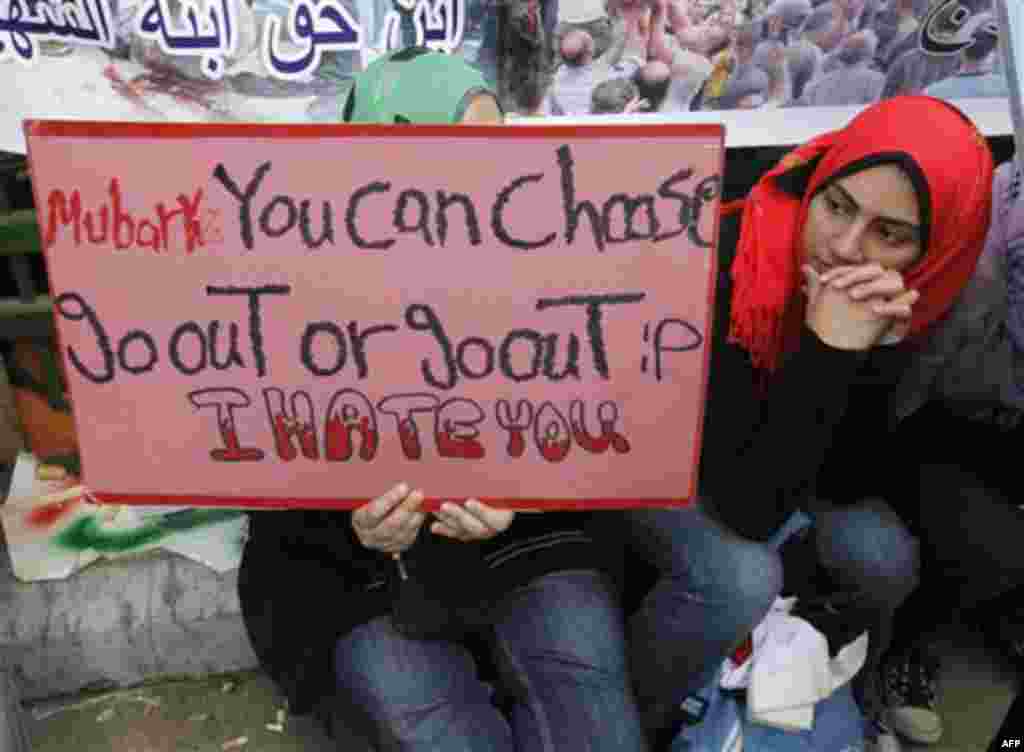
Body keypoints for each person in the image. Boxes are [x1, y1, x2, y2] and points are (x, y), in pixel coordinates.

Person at [237, 47, 648, 752]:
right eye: (453, 154)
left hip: (523, 548)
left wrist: (530, 491)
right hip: (356, 575)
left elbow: (589, 433)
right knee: (433, 726)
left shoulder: (553, 257)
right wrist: (358, 527)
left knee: (591, 698)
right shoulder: (290, 282)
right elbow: (270, 482)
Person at [588, 95, 995, 750]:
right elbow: (745, 506)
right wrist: (828, 352)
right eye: (836, 205)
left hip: (777, 456)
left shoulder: (922, 299)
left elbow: (848, 479)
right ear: (817, 183)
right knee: (738, 577)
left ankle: (843, 684)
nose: (844, 246)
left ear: (932, 250)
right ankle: (636, 721)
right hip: (657, 455)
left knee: (886, 555)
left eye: (889, 234)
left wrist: (872, 356)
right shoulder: (730, 256)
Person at [872, 150, 1024, 746]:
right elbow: (917, 382)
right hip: (934, 416)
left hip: (999, 416)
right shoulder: (987, 217)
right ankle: (905, 649)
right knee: (990, 548)